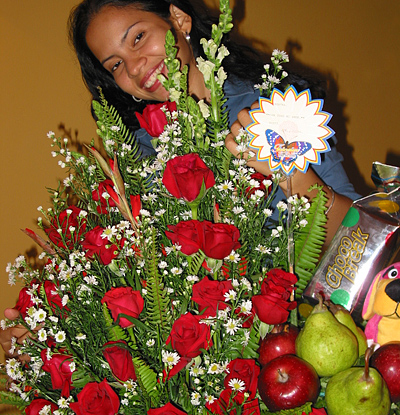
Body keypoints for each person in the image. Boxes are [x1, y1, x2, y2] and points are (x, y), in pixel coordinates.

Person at [1, 0, 360, 357]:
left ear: (178, 19)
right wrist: (47, 329)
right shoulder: (134, 164)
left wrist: (291, 174)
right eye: (115, 65)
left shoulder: (276, 106)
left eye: (138, 37)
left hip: (313, 343)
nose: (135, 66)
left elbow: (358, 239)